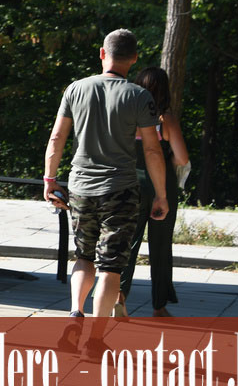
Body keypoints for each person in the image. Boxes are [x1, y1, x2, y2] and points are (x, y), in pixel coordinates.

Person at [42, 29, 168, 319]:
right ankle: (96, 337)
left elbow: (57, 139)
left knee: (84, 256)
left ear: (102, 53)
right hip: (120, 189)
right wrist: (160, 195)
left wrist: (49, 180)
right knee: (111, 266)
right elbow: (152, 150)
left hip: (80, 188)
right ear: (134, 59)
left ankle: (76, 310)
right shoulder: (139, 96)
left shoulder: (75, 89)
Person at [118, 67, 190, 317]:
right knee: (160, 245)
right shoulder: (165, 119)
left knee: (127, 241)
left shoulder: (127, 116)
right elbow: (181, 158)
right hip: (163, 185)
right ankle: (159, 305)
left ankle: (119, 296)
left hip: (129, 181)